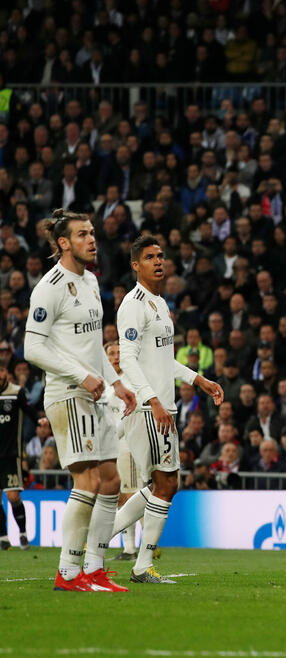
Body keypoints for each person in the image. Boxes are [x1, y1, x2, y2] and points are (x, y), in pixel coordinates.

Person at [24, 209, 137, 592]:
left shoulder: (89, 281)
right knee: (87, 479)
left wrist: (114, 381)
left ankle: (94, 568)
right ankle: (68, 573)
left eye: (92, 233)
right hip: (69, 393)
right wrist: (84, 376)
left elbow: (91, 345)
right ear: (63, 243)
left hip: (97, 393)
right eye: (83, 234)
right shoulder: (50, 287)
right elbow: (32, 347)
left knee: (110, 480)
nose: (92, 240)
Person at [110, 235, 224, 584]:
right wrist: (153, 400)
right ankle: (141, 565)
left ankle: (95, 541)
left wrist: (197, 379)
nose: (159, 261)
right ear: (136, 265)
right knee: (167, 482)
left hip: (162, 406)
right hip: (149, 409)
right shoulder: (133, 304)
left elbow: (162, 360)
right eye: (149, 257)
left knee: (157, 483)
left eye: (161, 256)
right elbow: (127, 357)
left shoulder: (159, 304)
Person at [103, 341, 138, 560]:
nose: (116, 357)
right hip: (109, 447)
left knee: (132, 495)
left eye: (119, 353)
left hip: (128, 446)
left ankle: (133, 548)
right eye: (111, 354)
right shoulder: (104, 382)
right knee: (119, 497)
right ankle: (131, 548)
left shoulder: (131, 381)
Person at [0, 359, 38, 550]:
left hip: (11, 455)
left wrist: (41, 421)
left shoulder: (16, 392)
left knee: (13, 496)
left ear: (6, 372)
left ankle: (23, 534)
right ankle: (3, 538)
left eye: (1, 371)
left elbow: (29, 411)